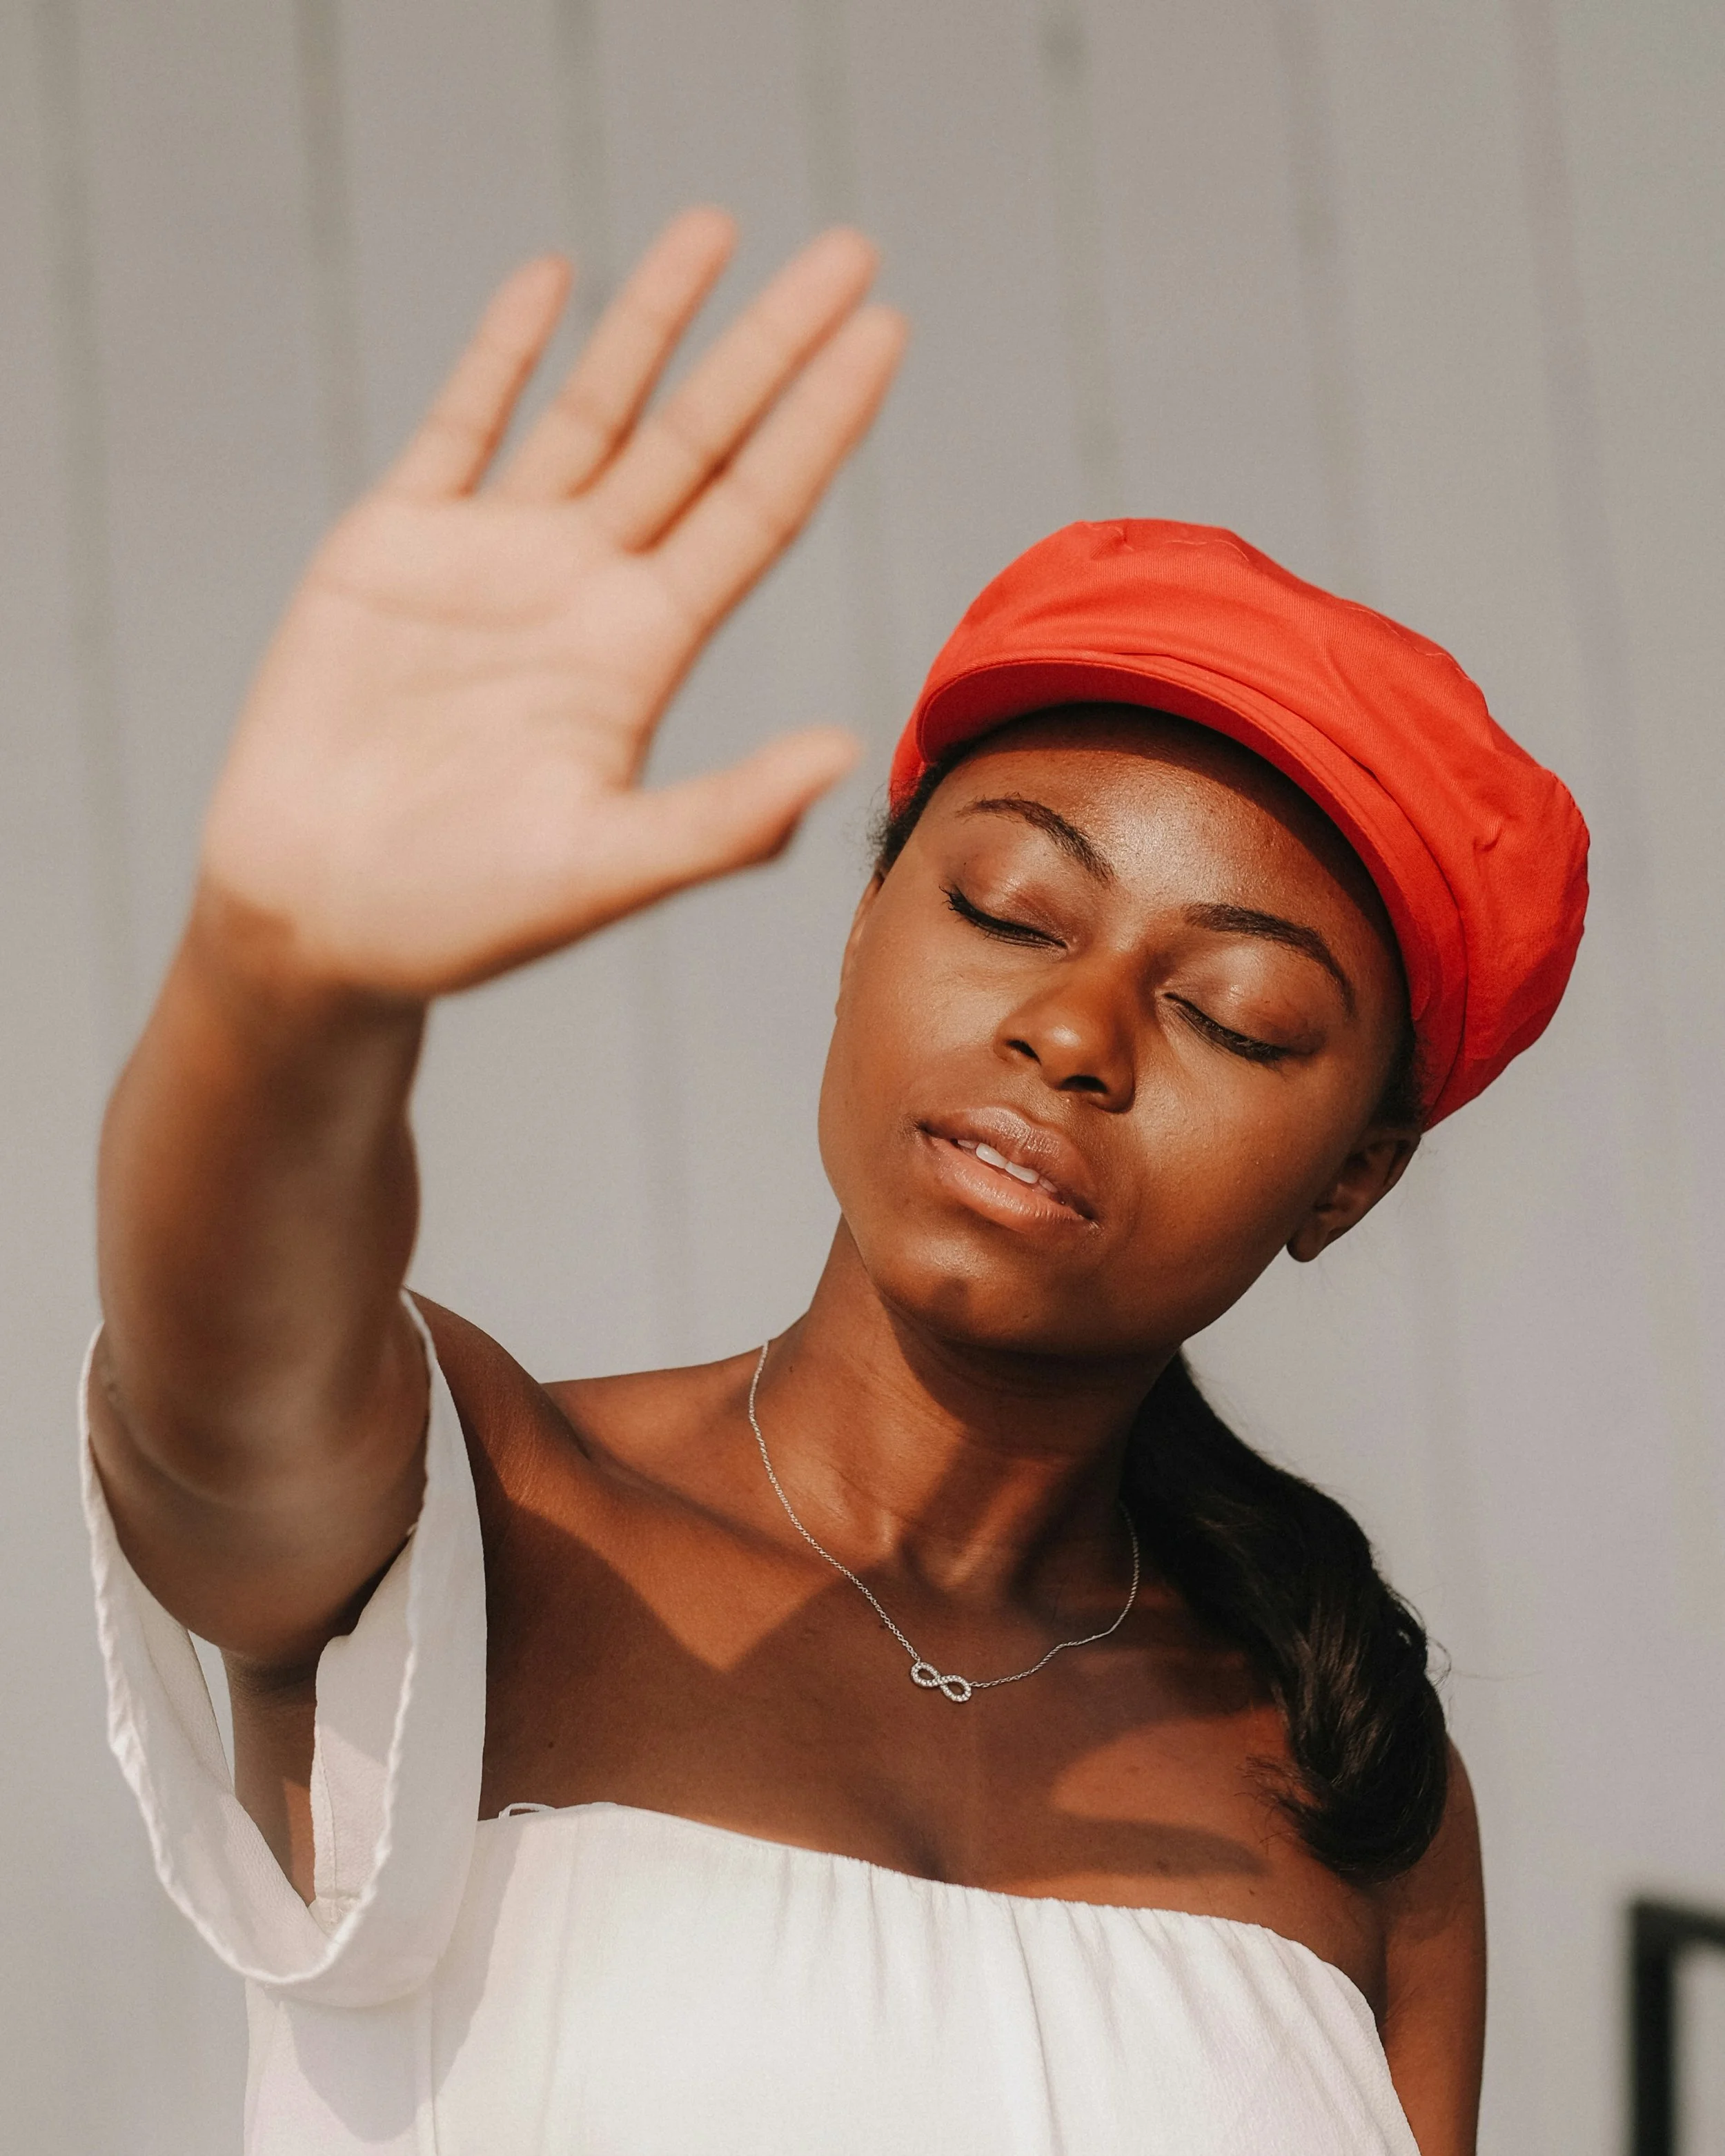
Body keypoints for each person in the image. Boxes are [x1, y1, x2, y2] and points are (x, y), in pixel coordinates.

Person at [83, 208, 1586, 2156]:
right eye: (1005, 905)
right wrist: (281, 981)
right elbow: (209, 1388)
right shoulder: (487, 1514)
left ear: (1352, 1180)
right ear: (866, 928)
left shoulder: (1350, 1770)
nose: (1073, 1029)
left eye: (1229, 1013)